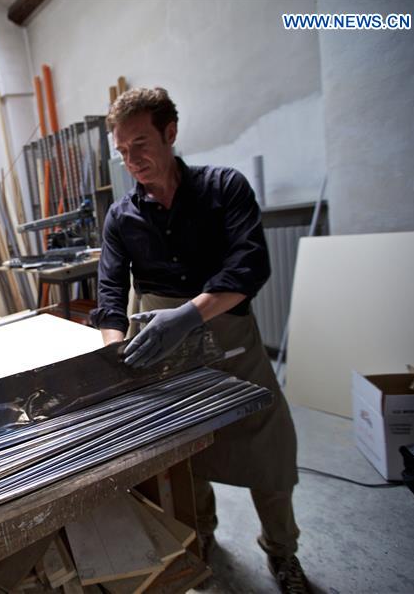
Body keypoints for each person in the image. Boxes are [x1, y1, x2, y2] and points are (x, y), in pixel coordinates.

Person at [91, 88, 310, 594]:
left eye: (141, 144)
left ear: (170, 132)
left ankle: (282, 552)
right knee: (186, 453)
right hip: (161, 351)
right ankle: (200, 540)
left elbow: (249, 265)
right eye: (123, 152)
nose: (132, 161)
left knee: (269, 449)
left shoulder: (222, 188)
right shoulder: (122, 217)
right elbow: (109, 291)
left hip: (228, 333)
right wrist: (113, 349)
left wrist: (189, 315)